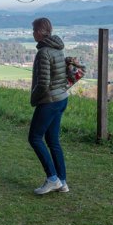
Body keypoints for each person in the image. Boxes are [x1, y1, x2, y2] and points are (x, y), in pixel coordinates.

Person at [28, 17, 70, 195]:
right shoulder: (57, 48)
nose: (32, 33)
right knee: (53, 140)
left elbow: (43, 82)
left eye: (34, 30)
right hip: (61, 98)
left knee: (35, 138)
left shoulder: (44, 52)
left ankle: (52, 178)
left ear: (40, 31)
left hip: (49, 101)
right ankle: (62, 180)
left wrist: (34, 99)